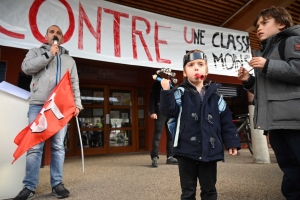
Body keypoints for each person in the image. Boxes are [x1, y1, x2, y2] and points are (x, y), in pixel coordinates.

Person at [159, 49, 240, 199]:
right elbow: (169, 111)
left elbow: (226, 122)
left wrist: (232, 142)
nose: (196, 67)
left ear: (206, 70)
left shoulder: (216, 98)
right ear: (184, 73)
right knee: (188, 191)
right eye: (191, 65)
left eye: (200, 64)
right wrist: (166, 91)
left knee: (209, 189)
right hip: (185, 148)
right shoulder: (179, 93)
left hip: (210, 148)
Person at [238, 6, 300, 199]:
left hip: (294, 120)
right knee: (289, 168)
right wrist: (249, 81)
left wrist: (268, 65)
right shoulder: (267, 51)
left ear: (281, 24)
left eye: (264, 23)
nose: (259, 28)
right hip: (276, 120)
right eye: (257, 25)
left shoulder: (292, 40)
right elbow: (267, 90)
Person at [14, 25, 83, 200]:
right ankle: (29, 187)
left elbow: (74, 84)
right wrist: (49, 55)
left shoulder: (69, 60)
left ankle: (57, 184)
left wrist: (77, 105)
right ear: (46, 36)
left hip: (60, 108)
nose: (55, 35)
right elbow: (26, 68)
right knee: (34, 147)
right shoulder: (35, 52)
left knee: (58, 146)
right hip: (39, 105)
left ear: (63, 39)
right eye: (52, 32)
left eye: (58, 33)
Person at [149, 81, 178, 167]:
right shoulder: (157, 84)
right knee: (157, 135)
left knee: (171, 135)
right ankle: (154, 157)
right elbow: (152, 98)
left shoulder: (173, 85)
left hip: (171, 112)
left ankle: (170, 157)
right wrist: (152, 112)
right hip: (160, 111)